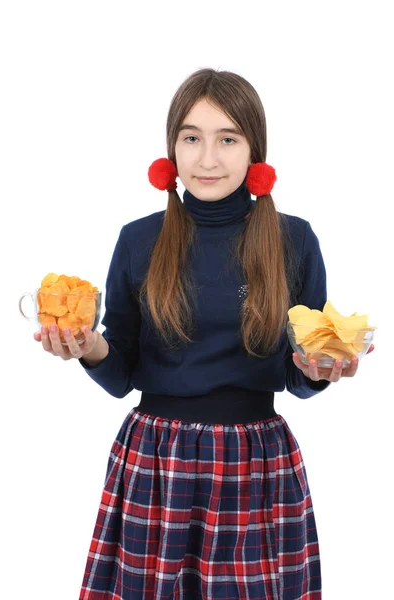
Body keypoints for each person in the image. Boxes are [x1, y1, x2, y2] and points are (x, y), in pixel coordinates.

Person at [34, 68, 374, 600]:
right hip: (156, 459)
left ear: (254, 151)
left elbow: (298, 373)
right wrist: (89, 347)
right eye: (191, 138)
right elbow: (120, 370)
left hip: (256, 461)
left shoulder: (294, 240)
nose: (207, 158)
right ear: (171, 149)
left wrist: (318, 370)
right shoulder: (139, 239)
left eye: (228, 139)